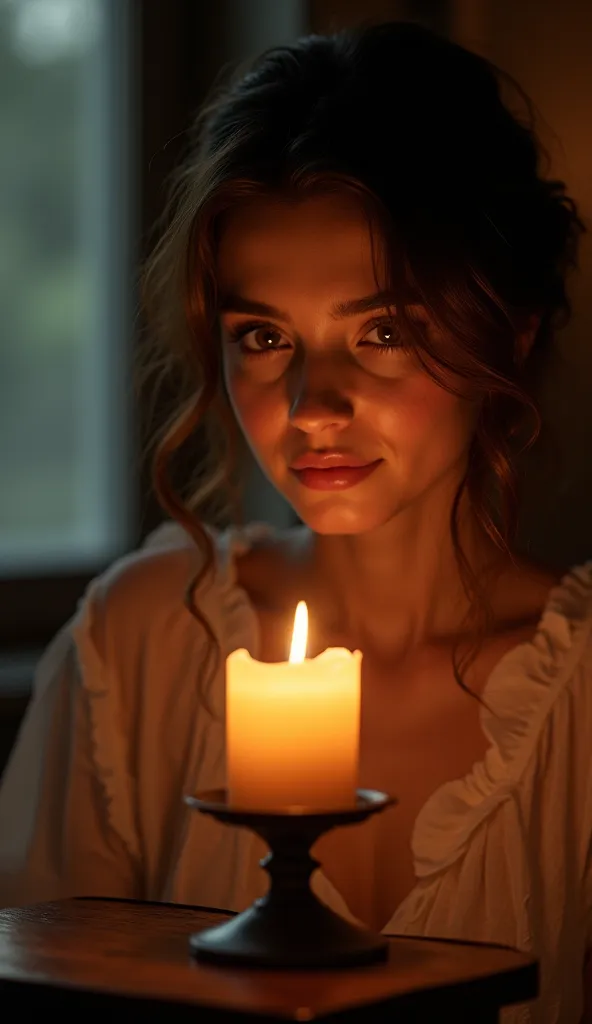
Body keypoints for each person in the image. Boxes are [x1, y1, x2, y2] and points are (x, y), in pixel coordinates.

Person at [0, 19, 590, 1022]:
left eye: (384, 330)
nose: (314, 403)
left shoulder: (577, 701)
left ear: (508, 323)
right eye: (265, 335)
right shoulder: (140, 645)